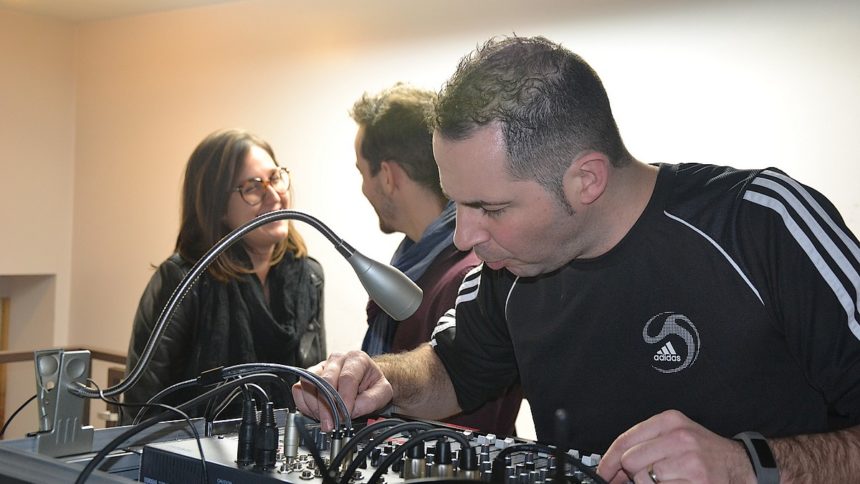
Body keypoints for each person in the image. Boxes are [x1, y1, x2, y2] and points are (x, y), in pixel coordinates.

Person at [294, 35, 860, 483]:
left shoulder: (761, 223)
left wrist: (748, 467)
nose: (464, 236)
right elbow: (452, 371)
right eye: (457, 203)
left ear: (586, 179)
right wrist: (383, 378)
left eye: (490, 207)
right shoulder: (512, 266)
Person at [349, 83, 522, 435]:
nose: (363, 188)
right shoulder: (415, 267)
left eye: (362, 173)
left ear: (387, 176)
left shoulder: (470, 278)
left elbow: (467, 428)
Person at [124, 128, 325, 421]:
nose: (274, 196)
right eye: (253, 187)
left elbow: (316, 389)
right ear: (217, 206)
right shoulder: (183, 280)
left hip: (286, 443)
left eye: (275, 178)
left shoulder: (309, 276)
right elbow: (141, 406)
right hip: (193, 447)